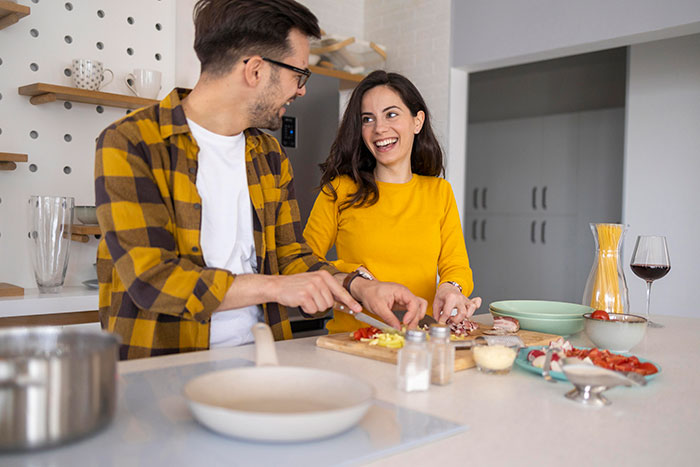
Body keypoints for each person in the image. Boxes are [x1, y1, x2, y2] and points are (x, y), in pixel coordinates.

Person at [94, 0, 426, 360]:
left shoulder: (268, 155)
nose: (301, 90)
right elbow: (152, 279)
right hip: (164, 368)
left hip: (263, 359)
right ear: (255, 70)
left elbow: (291, 257)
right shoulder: (131, 143)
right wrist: (276, 287)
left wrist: (361, 287)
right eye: (299, 75)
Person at [303, 71, 482, 334]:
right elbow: (303, 262)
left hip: (419, 341)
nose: (379, 129)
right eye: (368, 119)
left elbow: (456, 266)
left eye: (391, 114)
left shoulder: (439, 192)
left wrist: (451, 288)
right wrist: (356, 278)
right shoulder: (339, 190)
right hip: (353, 341)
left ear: (417, 121)